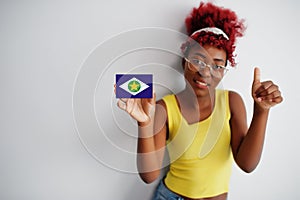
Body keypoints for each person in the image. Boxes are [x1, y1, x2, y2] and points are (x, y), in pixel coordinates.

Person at [117, 2, 283, 200]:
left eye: (217, 66)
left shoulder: (232, 102)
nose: (205, 72)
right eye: (197, 61)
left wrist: (262, 111)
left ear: (224, 71)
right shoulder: (165, 107)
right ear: (184, 62)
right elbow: (149, 175)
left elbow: (247, 164)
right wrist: (144, 123)